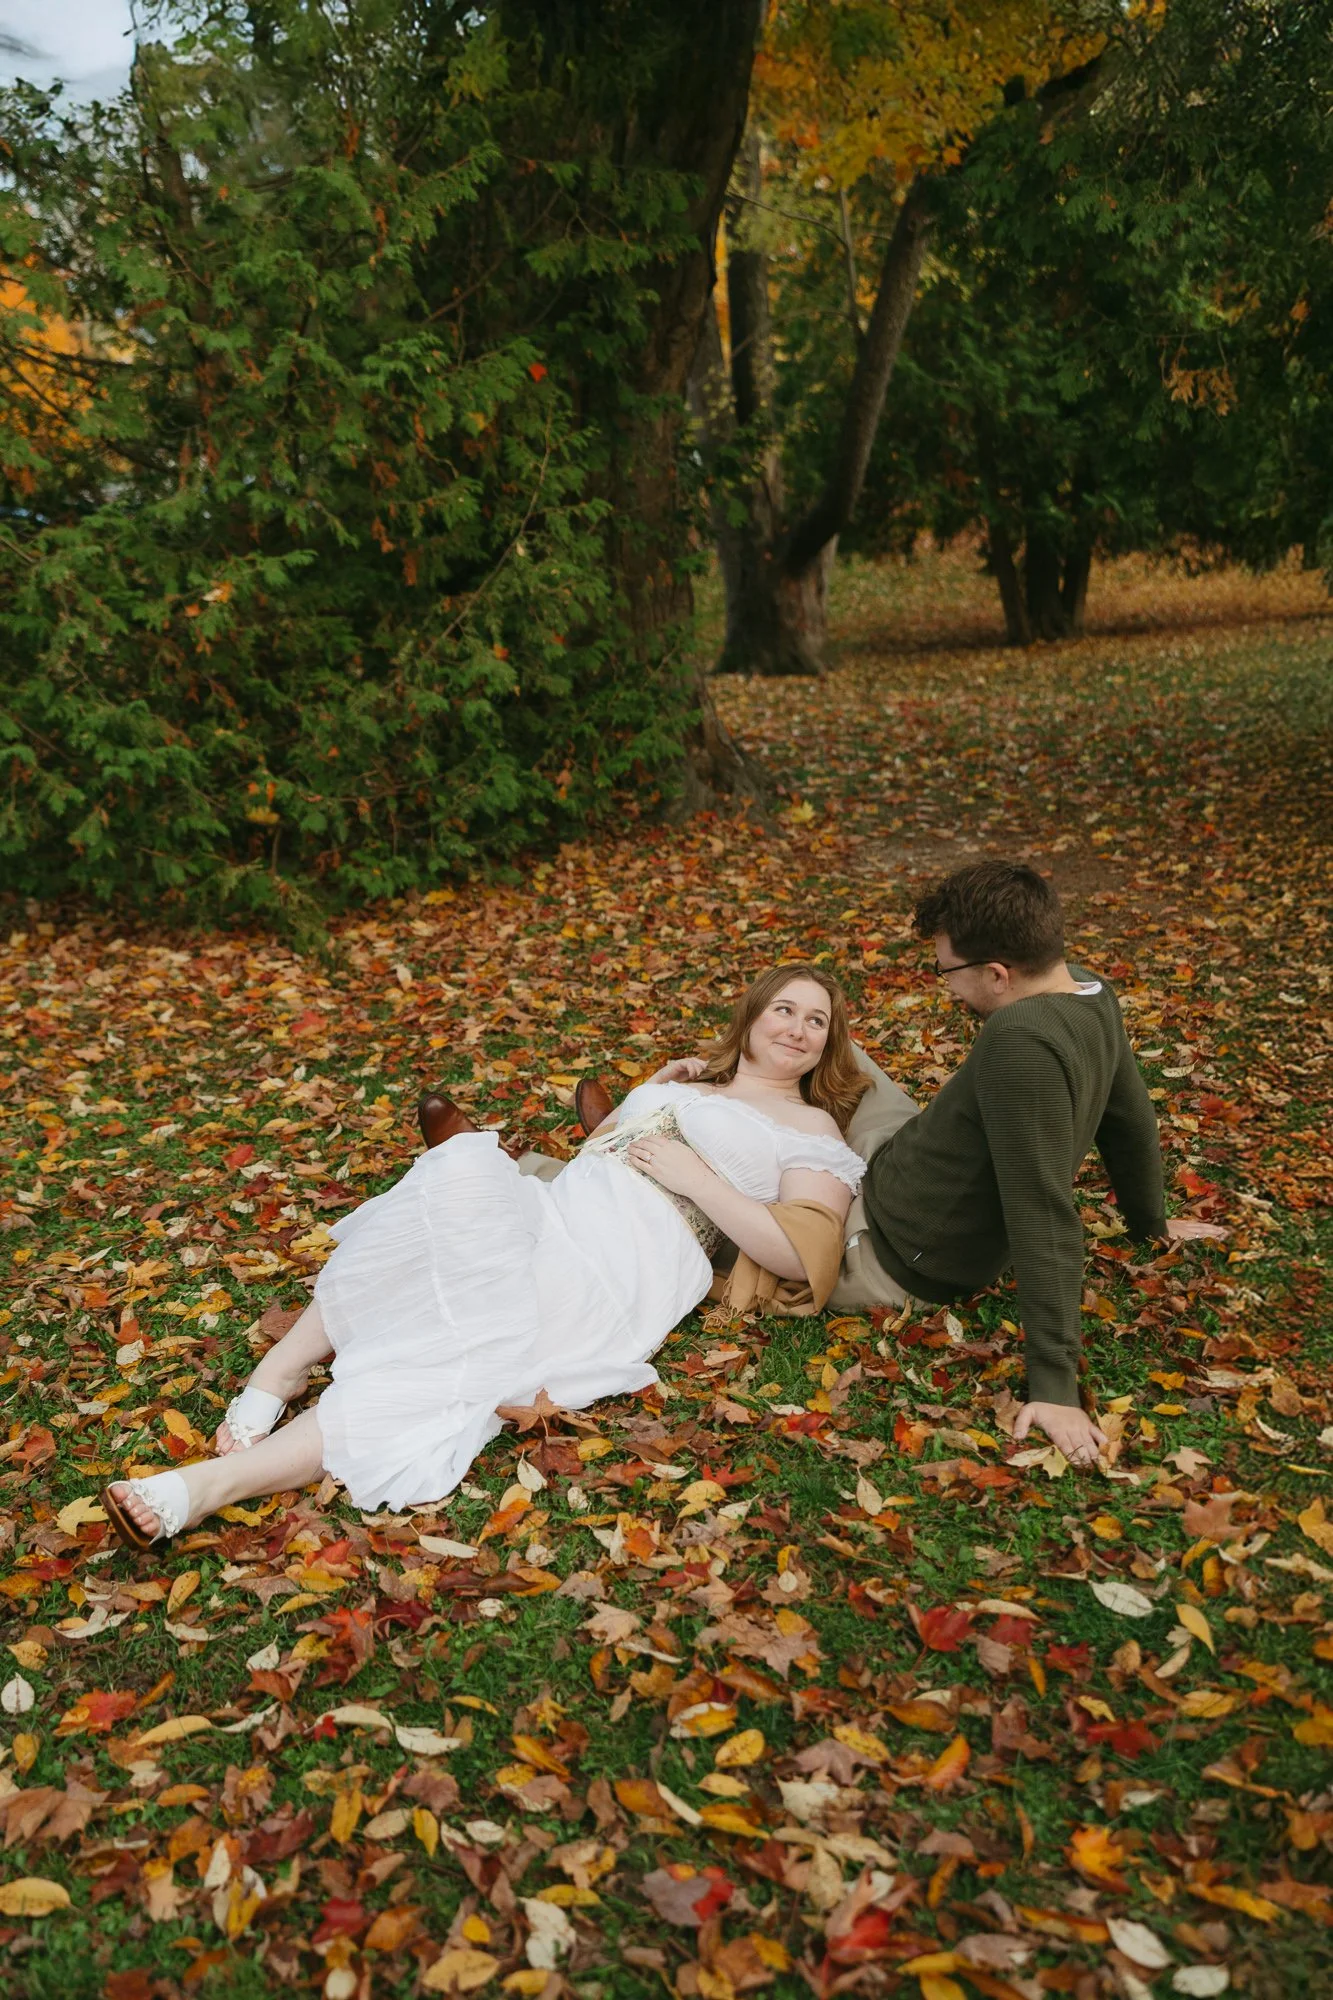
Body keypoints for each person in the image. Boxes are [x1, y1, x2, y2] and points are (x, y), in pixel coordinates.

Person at [99, 965, 870, 1548]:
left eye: (816, 1021)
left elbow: (798, 1256)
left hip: (624, 1265)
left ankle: (209, 1485)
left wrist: (697, 1177)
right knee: (453, 1184)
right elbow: (605, 1156)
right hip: (560, 1209)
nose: (797, 1028)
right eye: (784, 1009)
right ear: (752, 1015)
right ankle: (282, 1369)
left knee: (449, 1360)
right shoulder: (693, 1081)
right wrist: (654, 1100)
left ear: (827, 1044)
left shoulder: (809, 1131)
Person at [830, 860, 1223, 1469]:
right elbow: (1131, 1118)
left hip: (879, 1247)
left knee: (728, 1167)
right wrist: (1151, 1223)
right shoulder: (1089, 989)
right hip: (896, 1155)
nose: (947, 987)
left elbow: (1041, 1209)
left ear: (997, 973)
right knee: (826, 1043)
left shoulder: (1020, 1041)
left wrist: (1055, 1388)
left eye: (947, 972)